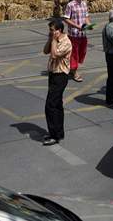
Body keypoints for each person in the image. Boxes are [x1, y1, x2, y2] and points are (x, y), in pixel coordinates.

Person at [42, 18, 72, 146]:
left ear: (59, 31)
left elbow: (54, 55)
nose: (50, 32)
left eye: (52, 30)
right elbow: (45, 51)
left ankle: (54, 135)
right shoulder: (54, 39)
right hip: (53, 74)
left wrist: (54, 40)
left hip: (60, 76)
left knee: (51, 105)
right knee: (57, 105)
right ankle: (58, 132)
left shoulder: (66, 42)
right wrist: (50, 39)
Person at [63, 0, 91, 82]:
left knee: (82, 52)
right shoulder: (70, 5)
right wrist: (76, 26)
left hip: (83, 34)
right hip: (74, 34)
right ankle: (74, 72)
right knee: (74, 54)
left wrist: (89, 24)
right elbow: (66, 19)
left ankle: (72, 67)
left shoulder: (84, 4)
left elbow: (86, 17)